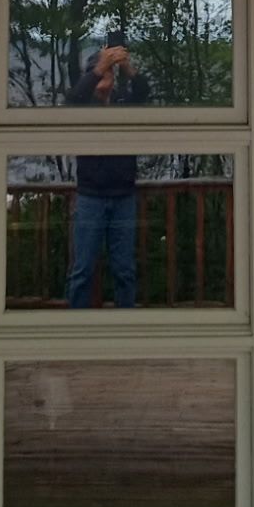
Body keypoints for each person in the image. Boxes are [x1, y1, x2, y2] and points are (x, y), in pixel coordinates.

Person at [65, 32, 150, 308]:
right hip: (90, 196)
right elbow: (72, 99)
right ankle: (75, 328)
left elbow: (144, 92)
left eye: (108, 76)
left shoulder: (126, 105)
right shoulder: (83, 108)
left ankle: (126, 325)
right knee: (83, 270)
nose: (103, 81)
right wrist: (100, 66)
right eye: (98, 76)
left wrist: (126, 65)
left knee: (125, 270)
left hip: (123, 196)